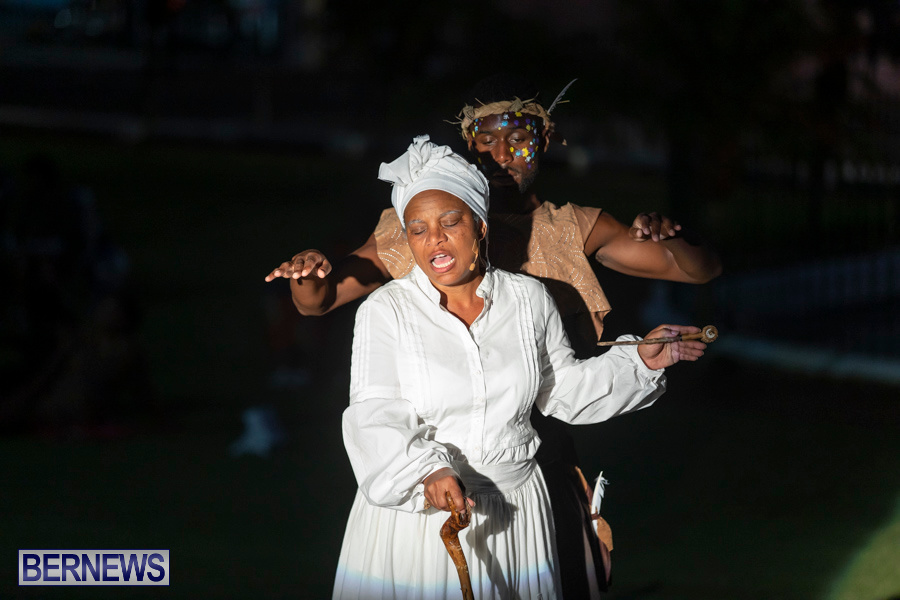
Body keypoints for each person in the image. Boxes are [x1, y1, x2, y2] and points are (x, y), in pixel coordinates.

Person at [267, 74, 722, 596]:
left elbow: (563, 385)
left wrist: (643, 355)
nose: (502, 155)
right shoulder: (398, 279)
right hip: (424, 495)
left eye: (517, 139)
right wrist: (308, 277)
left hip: (531, 480)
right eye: (486, 142)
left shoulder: (550, 260)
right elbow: (359, 380)